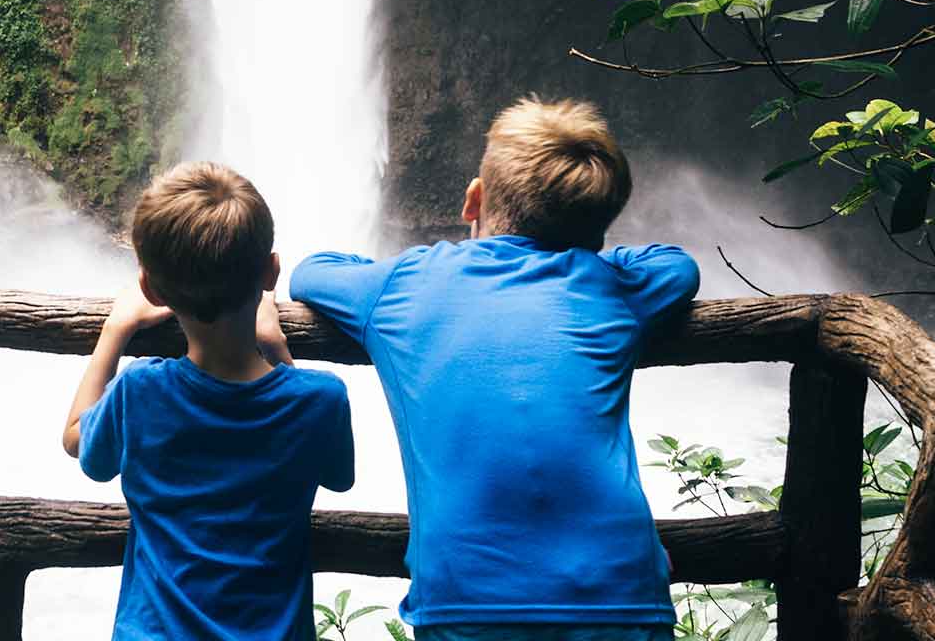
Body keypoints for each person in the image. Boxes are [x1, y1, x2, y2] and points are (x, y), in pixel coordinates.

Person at [291, 96, 699, 641]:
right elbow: (676, 266)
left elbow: (311, 272)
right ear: (597, 230)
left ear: (473, 200)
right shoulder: (613, 288)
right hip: (622, 596)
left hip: (468, 605)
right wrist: (591, 257)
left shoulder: (404, 284)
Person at [64, 160, 356, 641]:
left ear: (149, 289)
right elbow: (339, 477)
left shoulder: (140, 392)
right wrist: (279, 350)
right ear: (271, 273)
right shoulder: (320, 400)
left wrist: (114, 330)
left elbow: (78, 442)